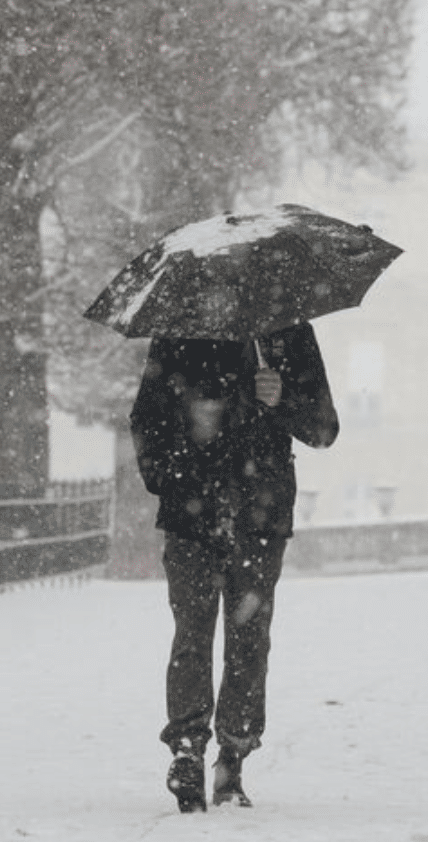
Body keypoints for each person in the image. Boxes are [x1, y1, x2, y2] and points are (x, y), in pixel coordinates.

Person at [129, 322, 338, 813]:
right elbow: (147, 421)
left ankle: (233, 756)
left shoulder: (288, 336)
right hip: (192, 513)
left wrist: (281, 399)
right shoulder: (181, 336)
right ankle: (186, 751)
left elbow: (324, 429)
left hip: (259, 516)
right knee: (192, 632)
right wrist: (184, 456)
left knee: (249, 640)